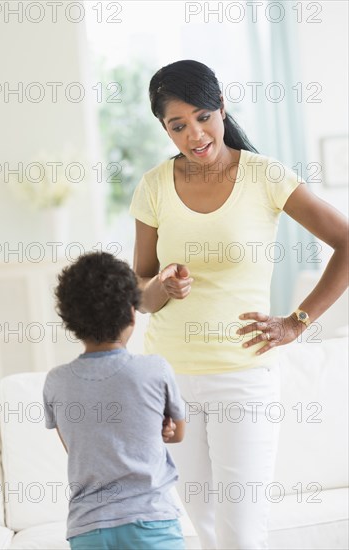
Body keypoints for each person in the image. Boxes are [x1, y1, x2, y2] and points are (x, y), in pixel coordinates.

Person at [128, 59, 349, 549]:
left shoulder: (265, 176)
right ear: (164, 128)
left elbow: (346, 243)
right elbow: (140, 292)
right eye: (177, 125)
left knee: (242, 533)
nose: (195, 134)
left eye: (203, 116)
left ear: (222, 107)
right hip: (169, 380)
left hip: (243, 379)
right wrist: (163, 286)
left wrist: (297, 323)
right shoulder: (153, 186)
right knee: (204, 529)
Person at [42, 251, 186, 550]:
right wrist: (160, 428)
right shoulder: (154, 369)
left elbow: (76, 445)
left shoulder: (56, 381)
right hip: (151, 521)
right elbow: (177, 433)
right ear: (133, 313)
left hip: (88, 529)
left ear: (71, 321)